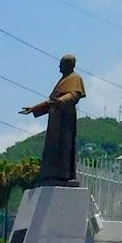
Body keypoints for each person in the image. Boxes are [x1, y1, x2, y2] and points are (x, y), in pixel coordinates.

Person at [24, 55, 86, 186]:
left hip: (65, 118)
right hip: (55, 119)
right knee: (52, 146)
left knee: (64, 145)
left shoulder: (75, 78)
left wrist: (62, 101)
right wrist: (34, 108)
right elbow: (51, 102)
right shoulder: (63, 80)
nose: (59, 66)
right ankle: (50, 173)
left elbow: (74, 95)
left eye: (62, 64)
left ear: (69, 64)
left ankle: (62, 175)